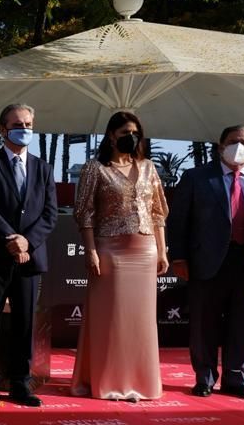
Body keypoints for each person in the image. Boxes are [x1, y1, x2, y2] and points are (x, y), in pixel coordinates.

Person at [167, 125, 244, 400]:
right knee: (204, 323)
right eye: (233, 141)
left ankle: (236, 380)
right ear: (220, 146)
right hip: (207, 261)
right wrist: (178, 256)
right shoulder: (196, 177)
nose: (239, 146)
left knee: (243, 322)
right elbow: (178, 221)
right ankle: (205, 378)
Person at [70, 111, 169, 402]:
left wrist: (163, 250)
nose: (131, 137)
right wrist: (91, 251)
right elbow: (84, 214)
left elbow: (158, 213)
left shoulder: (149, 168)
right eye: (125, 132)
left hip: (146, 249)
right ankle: (108, 381)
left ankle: (141, 382)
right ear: (111, 135)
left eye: (136, 132)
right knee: (110, 319)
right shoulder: (94, 168)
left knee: (141, 321)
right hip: (110, 251)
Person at [0, 103, 58, 406]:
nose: (25, 129)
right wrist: (11, 238)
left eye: (30, 124)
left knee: (24, 322)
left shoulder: (43, 169)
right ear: (3, 129)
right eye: (18, 124)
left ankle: (21, 383)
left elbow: (50, 214)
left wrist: (27, 242)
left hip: (30, 258)